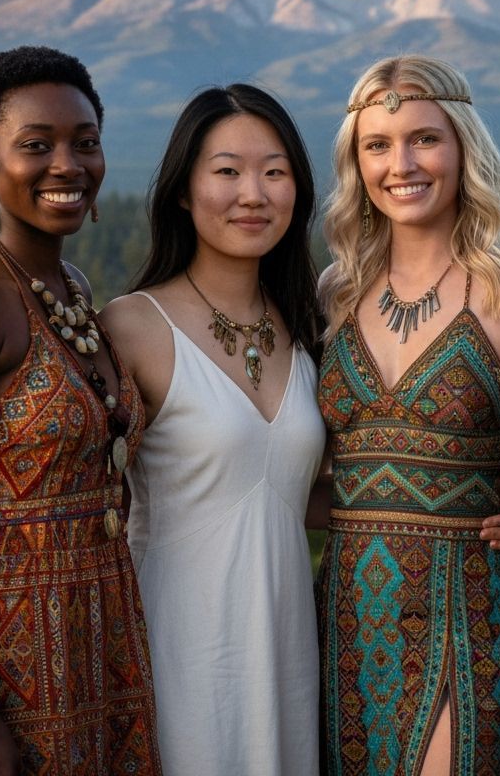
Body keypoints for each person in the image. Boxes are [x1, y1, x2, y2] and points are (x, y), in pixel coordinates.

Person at [0, 46, 161, 775]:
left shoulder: (68, 281)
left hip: (97, 639)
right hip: (2, 660)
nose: (67, 165)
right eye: (36, 146)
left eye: (86, 142)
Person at [317, 55, 500, 775]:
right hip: (346, 614)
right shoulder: (333, 290)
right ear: (356, 161)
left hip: (472, 609)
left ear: (463, 145)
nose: (401, 163)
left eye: (424, 139)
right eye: (378, 145)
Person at [99, 84, 329, 773]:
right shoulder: (134, 326)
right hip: (178, 649)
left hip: (287, 654)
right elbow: (75, 475)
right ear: (182, 190)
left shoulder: (311, 325)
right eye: (227, 171)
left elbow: (294, 494)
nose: (252, 193)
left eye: (275, 171)